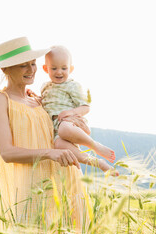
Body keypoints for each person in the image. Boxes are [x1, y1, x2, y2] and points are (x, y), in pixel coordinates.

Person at [0, 37, 90, 234]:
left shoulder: (38, 98)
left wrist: (77, 122)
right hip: (29, 188)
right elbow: (6, 152)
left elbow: (59, 128)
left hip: (61, 180)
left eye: (33, 63)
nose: (31, 69)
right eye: (23, 65)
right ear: (6, 70)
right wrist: (51, 153)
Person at [39, 45, 118, 176]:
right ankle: (99, 163)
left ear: (71, 68)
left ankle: (95, 146)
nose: (59, 72)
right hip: (55, 129)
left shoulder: (72, 85)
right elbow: (45, 102)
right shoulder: (45, 86)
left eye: (64, 68)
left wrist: (70, 113)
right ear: (45, 69)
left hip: (71, 124)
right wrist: (34, 97)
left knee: (64, 129)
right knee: (59, 145)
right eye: (54, 68)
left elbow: (85, 107)